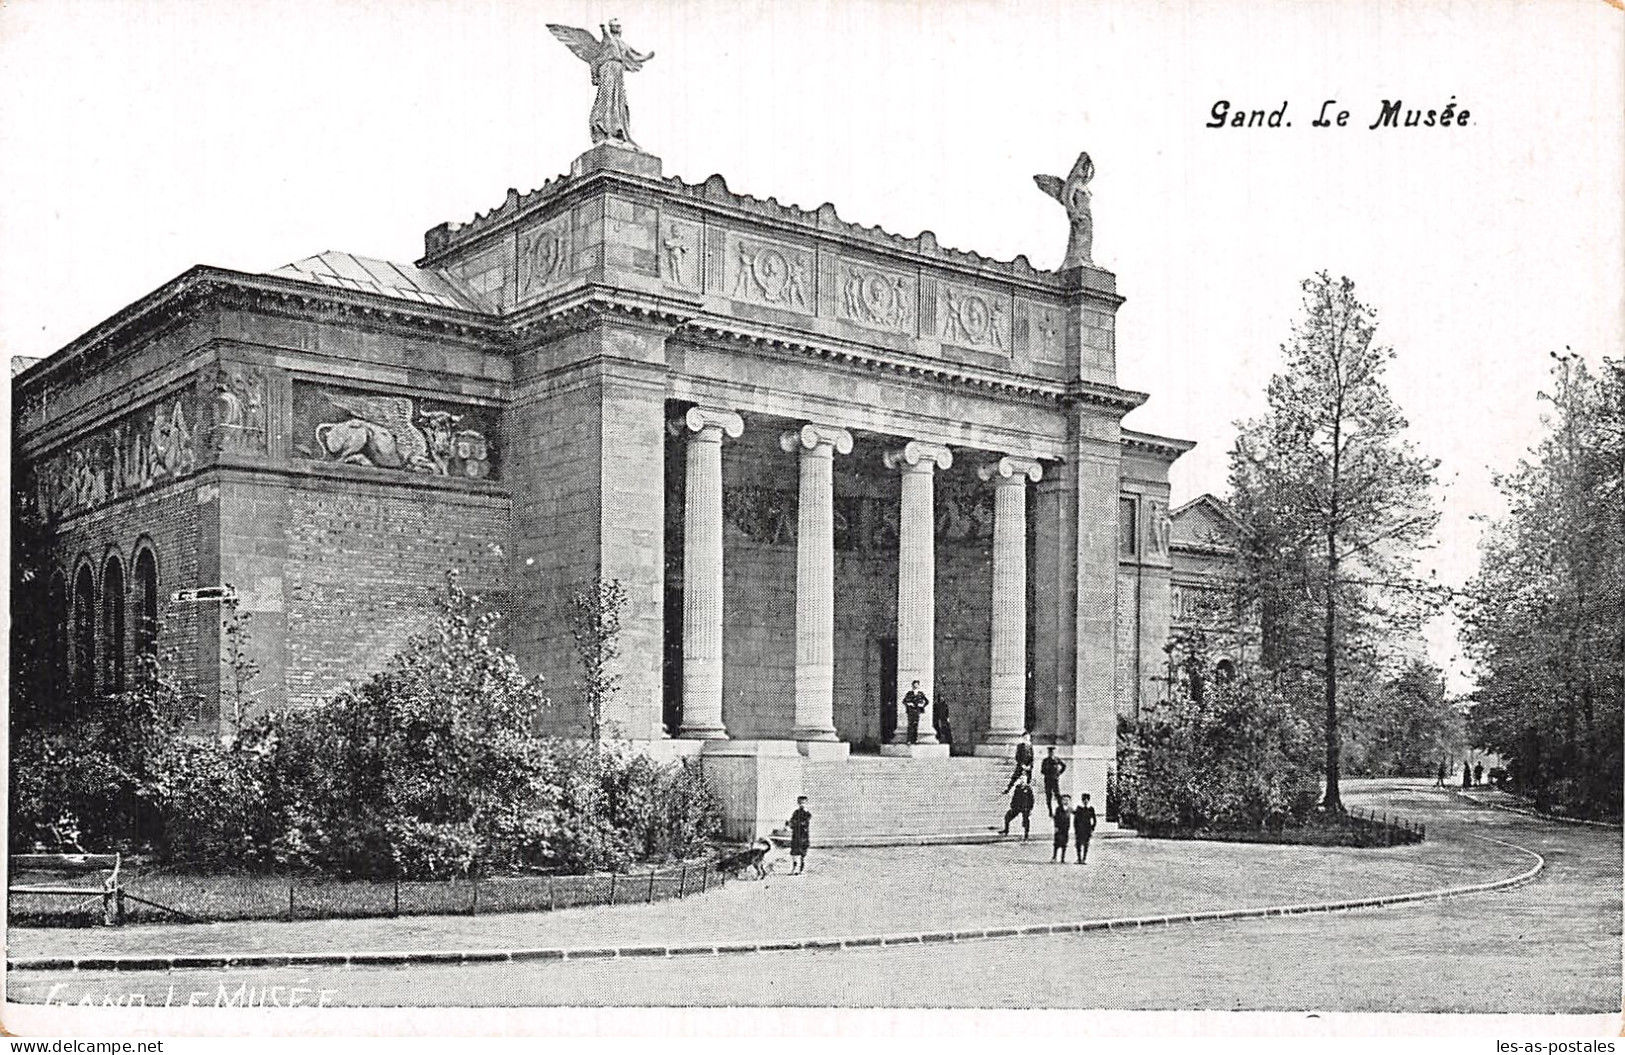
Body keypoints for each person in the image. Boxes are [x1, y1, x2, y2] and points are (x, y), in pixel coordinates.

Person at [787, 796, 812, 875]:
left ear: (806, 803)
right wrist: (790, 824)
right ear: (798, 803)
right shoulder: (796, 812)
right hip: (796, 834)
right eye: (800, 803)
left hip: (803, 835)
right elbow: (792, 821)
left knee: (802, 853)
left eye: (803, 803)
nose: (802, 804)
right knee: (794, 852)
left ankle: (801, 869)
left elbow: (805, 823)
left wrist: (796, 823)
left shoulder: (807, 813)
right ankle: (794, 869)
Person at [1040, 746, 1068, 813]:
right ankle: (1050, 810)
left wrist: (1059, 773)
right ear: (1048, 753)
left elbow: (1064, 766)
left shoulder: (1057, 759)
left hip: (1055, 780)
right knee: (1048, 795)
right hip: (1047, 780)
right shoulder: (1045, 760)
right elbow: (1042, 770)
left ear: (1054, 752)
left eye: (1052, 752)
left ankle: (1061, 809)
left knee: (1057, 795)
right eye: (1050, 752)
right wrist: (1047, 772)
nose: (1051, 753)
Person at [1074, 792, 1098, 864]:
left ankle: (1084, 859)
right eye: (1084, 799)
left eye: (1087, 799)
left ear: (1089, 800)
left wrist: (1092, 828)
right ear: (1082, 800)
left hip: (1087, 829)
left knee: (1086, 844)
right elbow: (1075, 820)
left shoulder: (1091, 809)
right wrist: (1076, 829)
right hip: (1079, 829)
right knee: (1078, 844)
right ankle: (1079, 858)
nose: (1085, 801)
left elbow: (1094, 820)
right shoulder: (1079, 809)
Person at [1051, 794, 1073, 863]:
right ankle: (1054, 857)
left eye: (1067, 800)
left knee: (1064, 843)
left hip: (1066, 828)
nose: (1065, 801)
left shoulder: (1070, 809)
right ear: (1061, 801)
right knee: (1056, 843)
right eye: (1064, 800)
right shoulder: (1058, 809)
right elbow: (1056, 818)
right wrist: (1056, 826)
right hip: (1059, 828)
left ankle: (1062, 858)